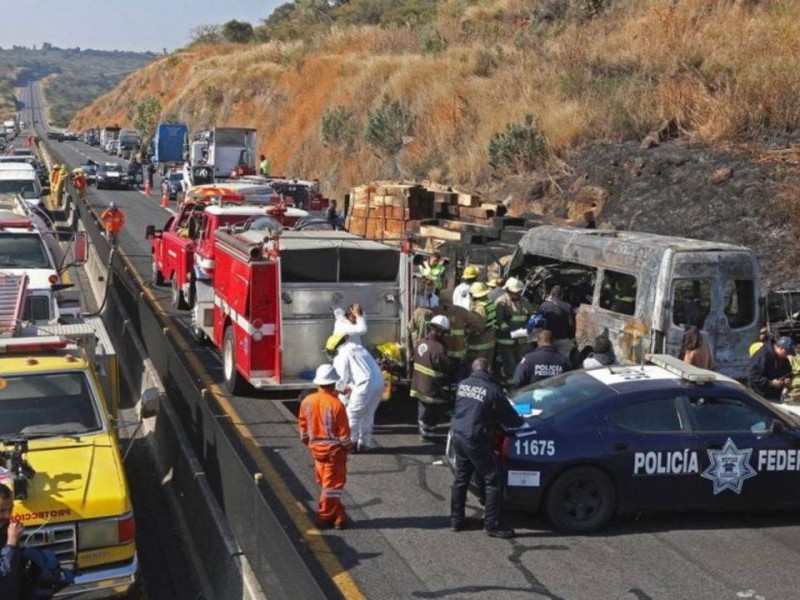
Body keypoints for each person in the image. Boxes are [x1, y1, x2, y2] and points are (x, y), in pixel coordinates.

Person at [450, 358, 525, 539]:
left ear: (473, 369)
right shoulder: (492, 389)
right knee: (493, 479)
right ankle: (492, 524)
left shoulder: (462, 385)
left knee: (461, 478)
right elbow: (511, 419)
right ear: (489, 369)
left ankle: (456, 520)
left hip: (458, 435)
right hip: (476, 439)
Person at [298, 364, 352, 529]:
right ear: (334, 383)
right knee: (332, 488)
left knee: (326, 484)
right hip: (334, 454)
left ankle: (339, 514)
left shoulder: (307, 401)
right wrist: (347, 449)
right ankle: (325, 517)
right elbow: (344, 435)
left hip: (316, 451)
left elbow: (303, 431)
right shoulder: (336, 405)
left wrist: (311, 445)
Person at [326, 333, 384, 453]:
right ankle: (364, 444)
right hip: (379, 382)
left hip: (365, 384)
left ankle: (351, 444)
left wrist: (339, 392)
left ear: (334, 348)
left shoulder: (342, 355)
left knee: (352, 414)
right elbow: (360, 370)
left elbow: (341, 378)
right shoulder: (358, 347)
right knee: (368, 414)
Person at [410, 315, 454, 441]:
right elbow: (446, 366)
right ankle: (428, 434)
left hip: (418, 384)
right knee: (432, 410)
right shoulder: (438, 348)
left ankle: (422, 429)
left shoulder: (420, 342)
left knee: (422, 407)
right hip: (431, 386)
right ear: (440, 332)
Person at [437, 289, 485, 381]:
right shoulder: (461, 311)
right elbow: (478, 325)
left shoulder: (435, 311)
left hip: (442, 354)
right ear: (452, 299)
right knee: (459, 379)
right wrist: (467, 330)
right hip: (459, 354)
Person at [494, 277, 534, 387]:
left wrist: (532, 323)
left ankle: (521, 385)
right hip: (506, 340)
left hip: (520, 339)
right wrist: (504, 326)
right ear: (508, 291)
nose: (517, 295)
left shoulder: (524, 301)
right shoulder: (501, 302)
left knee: (521, 364)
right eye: (514, 293)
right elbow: (498, 319)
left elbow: (531, 315)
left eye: (518, 292)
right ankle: (512, 388)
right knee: (510, 365)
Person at [748, 335, 794, 402]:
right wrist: (770, 383)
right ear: (781, 348)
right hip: (760, 397)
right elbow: (753, 376)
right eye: (787, 353)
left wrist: (787, 379)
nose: (787, 355)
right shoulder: (763, 355)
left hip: (775, 397)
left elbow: (788, 372)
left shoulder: (783, 359)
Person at [537, 285, 575, 360]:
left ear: (551, 294)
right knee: (563, 360)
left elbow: (538, 323)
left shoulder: (543, 306)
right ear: (562, 295)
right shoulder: (568, 306)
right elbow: (571, 324)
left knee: (547, 360)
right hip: (563, 339)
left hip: (547, 339)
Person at [1, 483, 24, 598]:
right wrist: (11, 543)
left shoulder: (5, 526)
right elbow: (4, 578)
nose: (7, 515)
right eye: (1, 510)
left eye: (10, 509)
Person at [466, 281, 496, 368]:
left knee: (477, 366)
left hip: (479, 343)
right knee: (487, 366)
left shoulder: (480, 308)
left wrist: (467, 330)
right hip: (490, 339)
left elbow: (478, 327)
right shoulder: (490, 302)